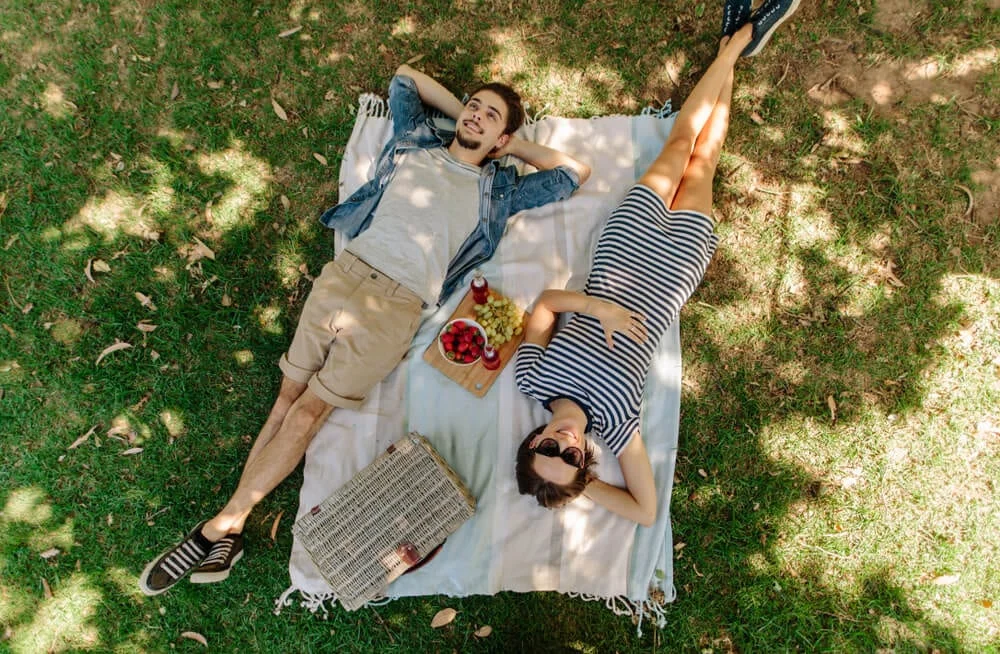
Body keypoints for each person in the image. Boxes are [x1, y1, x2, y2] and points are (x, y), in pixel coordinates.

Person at [139, 65, 591, 595]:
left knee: (309, 411)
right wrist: (465, 118)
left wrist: (509, 149)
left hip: (395, 308)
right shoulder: (417, 142)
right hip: (344, 276)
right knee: (284, 402)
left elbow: (571, 173)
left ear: (504, 137)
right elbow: (405, 80)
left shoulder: (499, 190)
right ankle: (230, 526)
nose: (475, 114)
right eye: (473, 104)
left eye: (491, 116)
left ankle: (221, 525)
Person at [514, 1, 799, 526]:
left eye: (546, 451)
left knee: (681, 142)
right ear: (583, 463)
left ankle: (735, 44)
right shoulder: (617, 427)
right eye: (569, 460)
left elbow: (547, 303)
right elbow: (647, 514)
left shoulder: (530, 378)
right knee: (706, 158)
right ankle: (735, 43)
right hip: (673, 268)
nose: (562, 446)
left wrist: (599, 308)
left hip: (622, 251)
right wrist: (581, 487)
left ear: (533, 439)